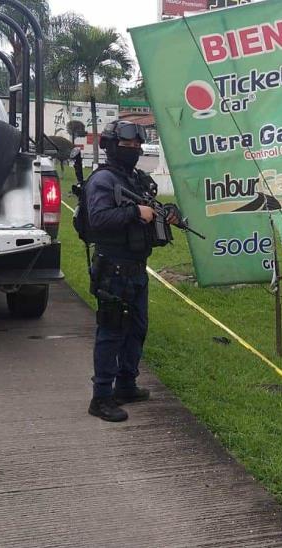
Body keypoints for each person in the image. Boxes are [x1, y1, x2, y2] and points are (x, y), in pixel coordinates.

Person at [84, 121, 179, 421]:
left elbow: (152, 204)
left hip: (137, 268)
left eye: (138, 146)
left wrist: (168, 213)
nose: (134, 151)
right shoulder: (101, 180)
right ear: (112, 147)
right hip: (113, 268)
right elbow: (98, 219)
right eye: (127, 147)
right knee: (111, 331)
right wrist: (135, 212)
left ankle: (126, 384)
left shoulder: (134, 178)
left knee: (137, 328)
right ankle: (100, 398)